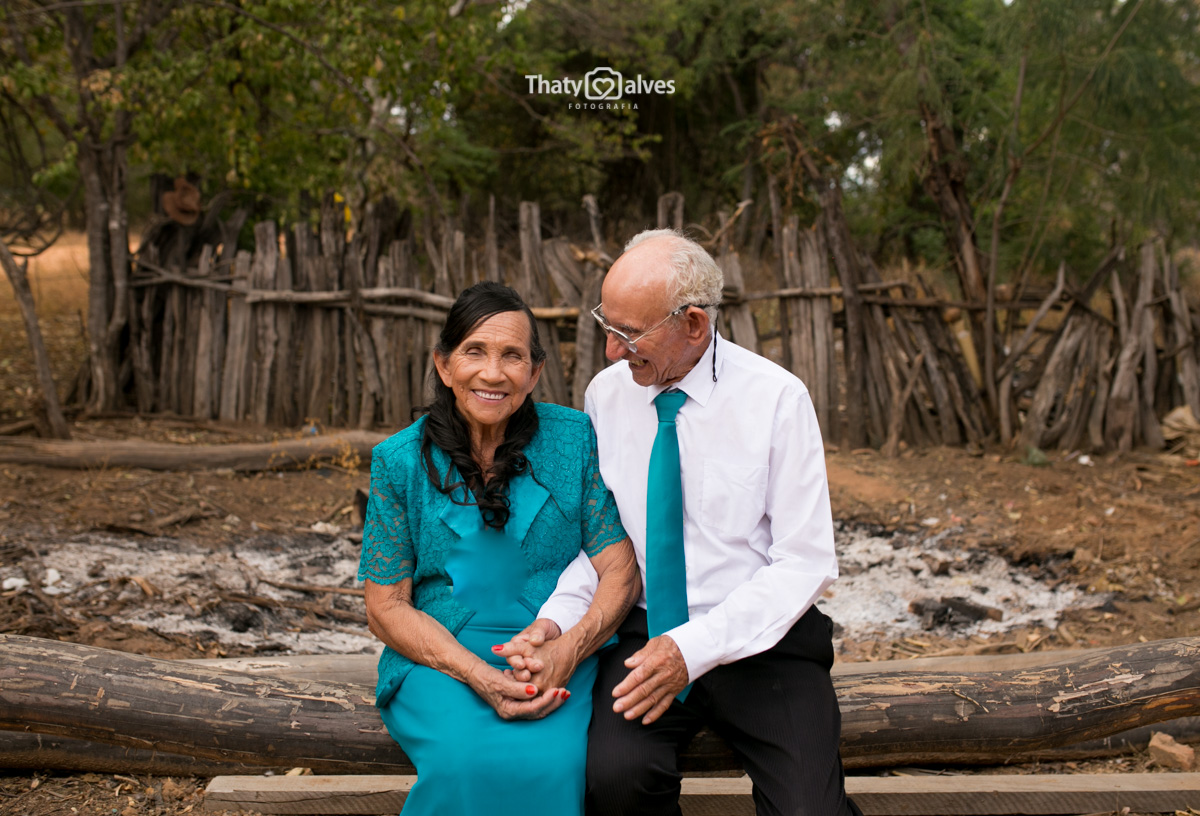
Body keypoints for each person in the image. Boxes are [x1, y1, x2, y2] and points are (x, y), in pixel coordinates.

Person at [502, 230, 862, 815]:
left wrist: (693, 648)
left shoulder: (777, 399)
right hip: (643, 635)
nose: (613, 351)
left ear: (694, 324)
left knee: (808, 811)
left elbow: (805, 563)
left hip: (763, 641)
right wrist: (557, 621)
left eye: (628, 333)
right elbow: (604, 542)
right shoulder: (606, 396)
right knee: (614, 782)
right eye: (607, 325)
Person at [359, 281, 640, 816]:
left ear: (534, 373)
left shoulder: (573, 438)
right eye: (474, 352)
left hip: (553, 652)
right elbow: (385, 605)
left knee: (557, 765)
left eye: (512, 355)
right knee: (464, 762)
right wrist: (477, 674)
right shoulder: (397, 461)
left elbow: (619, 568)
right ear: (443, 366)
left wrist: (569, 649)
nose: (493, 372)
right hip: (438, 656)